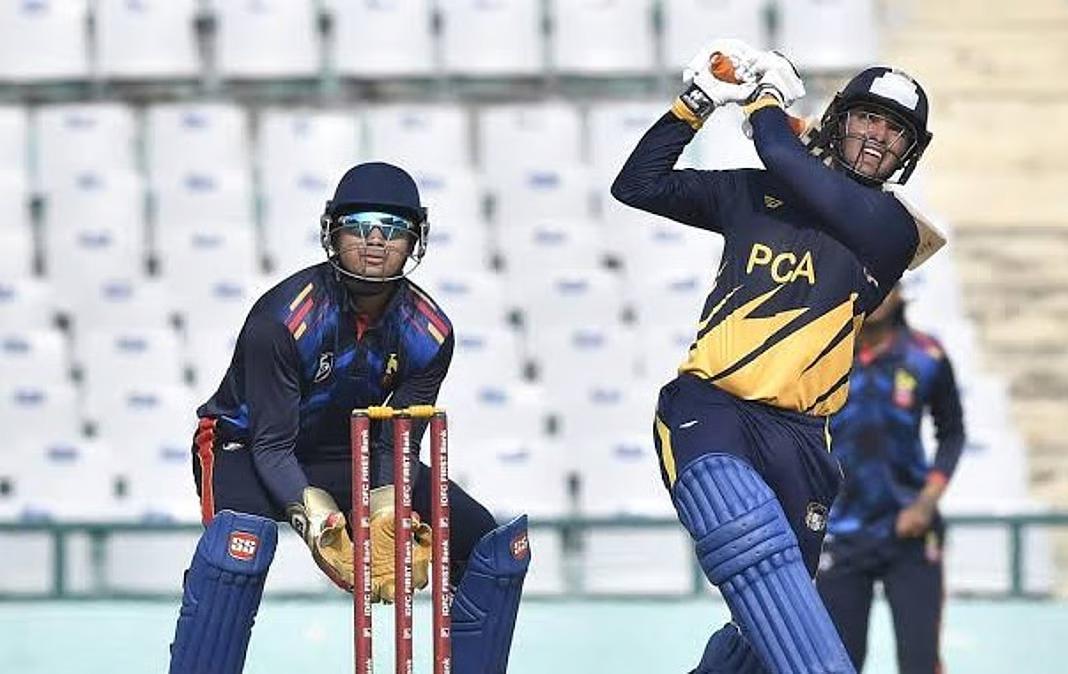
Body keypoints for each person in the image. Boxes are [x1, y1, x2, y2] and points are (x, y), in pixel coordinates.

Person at [611, 39, 942, 674]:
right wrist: (696, 103)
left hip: (802, 440)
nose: (878, 137)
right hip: (713, 409)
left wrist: (765, 100)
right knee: (749, 540)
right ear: (840, 119)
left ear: (909, 150)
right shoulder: (756, 192)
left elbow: (784, 155)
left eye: (895, 130)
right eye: (868, 118)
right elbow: (637, 185)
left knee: (770, 634)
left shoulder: (891, 230)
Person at [168, 162, 530, 674]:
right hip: (244, 448)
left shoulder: (429, 334)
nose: (375, 241)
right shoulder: (282, 320)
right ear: (332, 234)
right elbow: (273, 446)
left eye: (393, 229)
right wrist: (322, 527)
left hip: (351, 452)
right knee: (237, 549)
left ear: (416, 240)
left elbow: (395, 444)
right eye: (359, 226)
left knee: (493, 546)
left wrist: (386, 510)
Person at [817, 286, 965, 674]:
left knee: (920, 663)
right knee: (838, 665)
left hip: (910, 532)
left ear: (901, 292)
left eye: (889, 283)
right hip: (841, 534)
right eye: (870, 283)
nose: (880, 292)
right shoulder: (821, 356)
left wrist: (925, 503)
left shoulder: (926, 356)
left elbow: (952, 433)